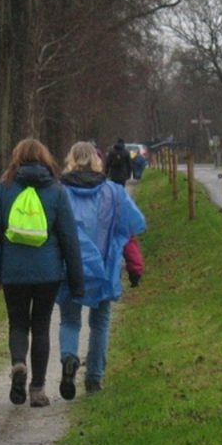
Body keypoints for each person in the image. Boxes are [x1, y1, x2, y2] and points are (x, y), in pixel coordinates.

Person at [0, 138, 84, 407]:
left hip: (13, 271)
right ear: (44, 158)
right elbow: (69, 239)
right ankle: (37, 389)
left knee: (17, 324)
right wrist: (76, 280)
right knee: (40, 326)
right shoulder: (57, 191)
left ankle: (19, 364)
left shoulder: (3, 188)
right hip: (48, 272)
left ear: (17, 158)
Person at [56, 141, 146, 399]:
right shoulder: (114, 192)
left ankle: (69, 357)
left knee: (70, 320)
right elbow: (128, 231)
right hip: (104, 267)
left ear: (71, 159)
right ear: (97, 160)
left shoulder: (60, 191)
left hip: (69, 268)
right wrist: (135, 265)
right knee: (100, 322)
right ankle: (94, 378)